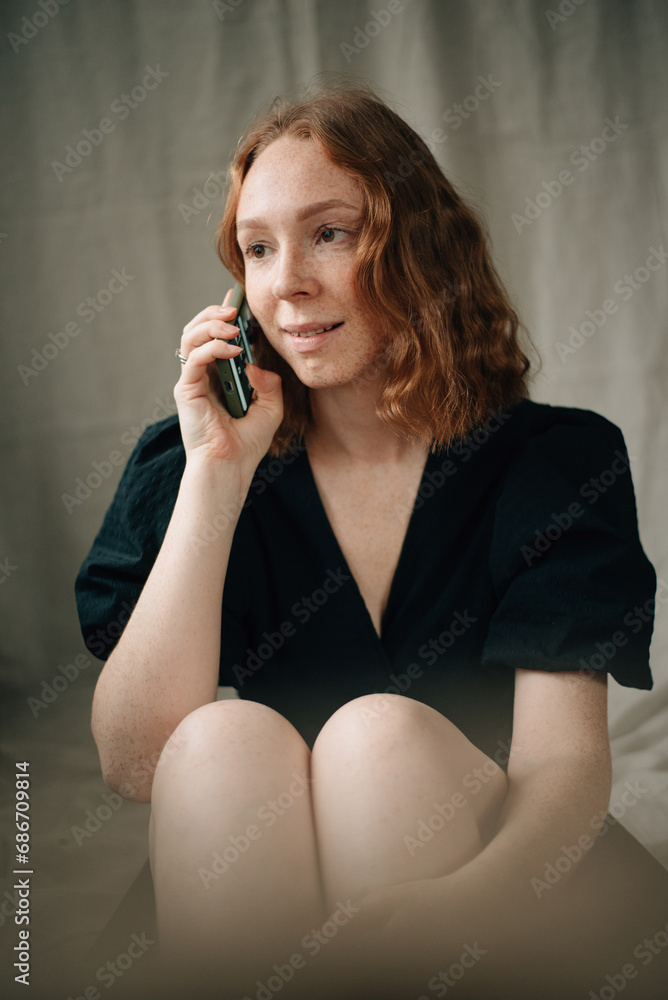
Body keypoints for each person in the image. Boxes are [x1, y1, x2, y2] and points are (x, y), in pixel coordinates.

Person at [75, 79, 662, 1000]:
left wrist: (467, 910)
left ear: (417, 250)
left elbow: (562, 768)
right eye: (258, 249)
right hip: (260, 862)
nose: (289, 283)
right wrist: (216, 476)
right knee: (218, 740)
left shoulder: (555, 461)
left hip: (496, 880)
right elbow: (135, 762)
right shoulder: (192, 462)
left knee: (373, 737)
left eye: (331, 234)